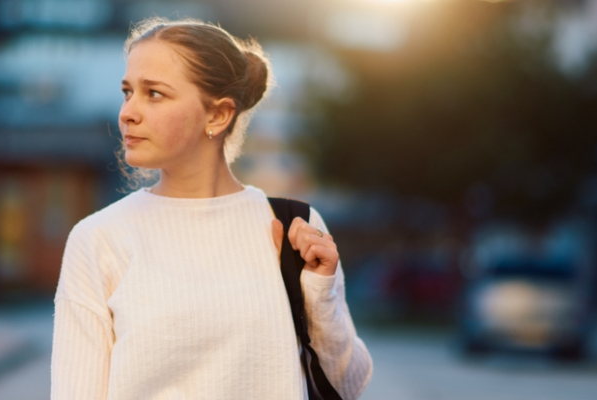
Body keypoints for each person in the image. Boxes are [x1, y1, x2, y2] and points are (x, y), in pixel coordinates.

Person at [51, 17, 373, 400]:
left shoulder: (293, 226)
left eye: (153, 93)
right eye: (127, 92)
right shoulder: (98, 239)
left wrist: (319, 295)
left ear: (218, 115)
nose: (128, 112)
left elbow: (347, 387)